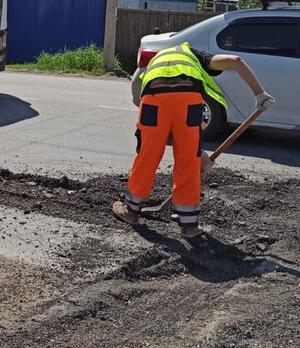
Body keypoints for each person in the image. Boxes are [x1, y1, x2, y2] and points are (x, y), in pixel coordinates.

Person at [113, 43, 274, 240]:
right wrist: (259, 93)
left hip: (154, 98)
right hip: (188, 100)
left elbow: (141, 94)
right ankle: (189, 225)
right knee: (188, 158)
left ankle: (131, 210)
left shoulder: (157, 61)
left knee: (148, 153)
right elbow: (235, 61)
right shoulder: (195, 56)